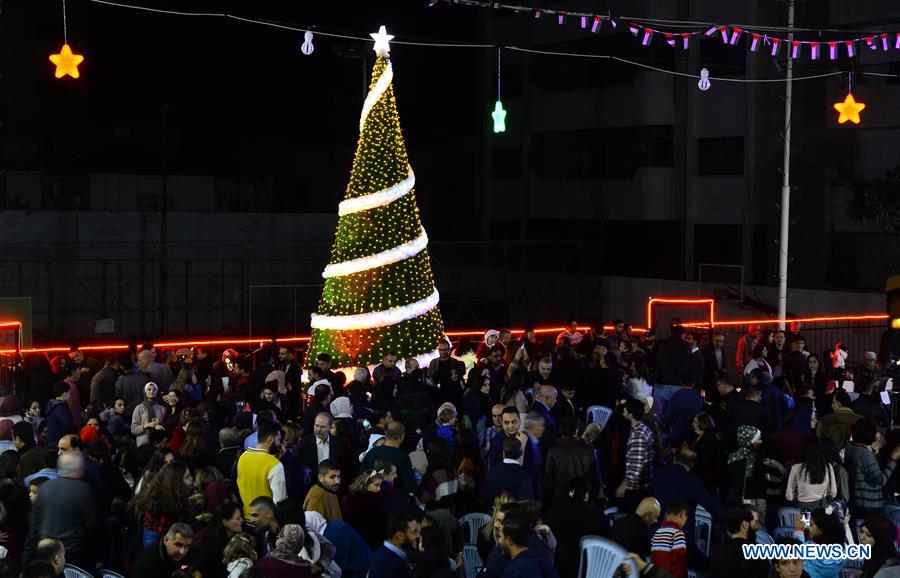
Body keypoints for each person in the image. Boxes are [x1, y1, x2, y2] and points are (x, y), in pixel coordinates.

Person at [23, 452, 97, 570]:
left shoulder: (46, 487)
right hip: (72, 553)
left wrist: (27, 557)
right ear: (79, 468)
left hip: (45, 550)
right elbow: (91, 525)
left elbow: (34, 522)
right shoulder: (83, 490)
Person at [649, 448, 725, 547]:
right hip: (679, 540)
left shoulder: (658, 475)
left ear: (675, 459)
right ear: (692, 465)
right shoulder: (692, 481)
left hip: (655, 536)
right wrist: (729, 518)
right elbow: (712, 506)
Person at [547, 477, 609, 578]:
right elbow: (607, 542)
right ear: (586, 494)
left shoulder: (554, 512)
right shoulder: (597, 515)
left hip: (560, 568)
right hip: (590, 568)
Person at [843, 419, 900, 520]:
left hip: (856, 500)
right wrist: (893, 458)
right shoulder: (865, 455)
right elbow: (881, 480)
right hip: (868, 504)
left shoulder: (850, 447)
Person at [131, 461, 194, 547]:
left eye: (190, 475)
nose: (191, 478)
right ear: (177, 482)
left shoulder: (179, 495)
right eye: (187, 477)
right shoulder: (159, 502)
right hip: (156, 537)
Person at [542, 417, 600, 507]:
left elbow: (548, 480)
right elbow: (596, 478)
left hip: (560, 500)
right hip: (583, 498)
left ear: (560, 430)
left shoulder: (553, 450)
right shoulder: (589, 449)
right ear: (576, 431)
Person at [236, 418, 286, 519]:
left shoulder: (242, 457)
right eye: (278, 440)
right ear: (270, 440)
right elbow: (279, 503)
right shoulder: (275, 465)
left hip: (246, 518)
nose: (280, 444)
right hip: (265, 522)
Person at [360, 421, 417, 507]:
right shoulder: (402, 457)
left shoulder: (372, 452)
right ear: (402, 436)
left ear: (386, 434)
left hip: (372, 502)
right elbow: (409, 486)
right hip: (394, 504)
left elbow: (361, 475)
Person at [615, 397, 655, 510]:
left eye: (625, 410)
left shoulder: (638, 435)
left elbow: (635, 467)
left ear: (631, 415)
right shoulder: (643, 429)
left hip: (637, 489)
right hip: (641, 486)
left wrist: (623, 486)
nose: (623, 411)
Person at [497, 509, 560, 578]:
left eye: (500, 536)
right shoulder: (545, 563)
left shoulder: (514, 570)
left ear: (509, 540)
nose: (499, 541)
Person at [709, 506, 769, 578]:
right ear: (745, 525)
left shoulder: (718, 552)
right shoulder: (758, 552)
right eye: (755, 522)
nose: (758, 527)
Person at [791, 508, 847, 578]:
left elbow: (794, 554)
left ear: (821, 530)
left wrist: (799, 532)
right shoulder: (844, 549)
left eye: (811, 525)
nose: (807, 527)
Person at [785, 436, 837, 510]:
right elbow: (833, 493)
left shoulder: (796, 468)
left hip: (802, 510)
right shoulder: (828, 466)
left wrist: (802, 495)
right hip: (822, 510)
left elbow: (789, 497)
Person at [368, 509, 421, 578]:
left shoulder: (383, 554)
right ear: (399, 536)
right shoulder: (391, 565)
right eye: (414, 532)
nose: (418, 536)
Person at [485, 437, 534, 506]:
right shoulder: (524, 476)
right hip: (514, 516)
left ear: (503, 452)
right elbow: (527, 504)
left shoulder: (491, 472)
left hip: (492, 515)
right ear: (521, 453)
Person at [650, 501, 688, 578]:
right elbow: (680, 564)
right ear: (682, 514)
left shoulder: (657, 533)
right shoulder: (678, 533)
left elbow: (653, 561)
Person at [661, 377, 703, 448]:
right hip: (693, 437)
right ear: (693, 383)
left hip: (676, 436)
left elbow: (666, 416)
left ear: (680, 382)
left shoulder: (676, 396)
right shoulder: (700, 398)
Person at [131, 382, 167, 447]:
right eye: (149, 389)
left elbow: (166, 426)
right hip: (144, 444)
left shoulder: (162, 408)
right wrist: (148, 425)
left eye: (154, 389)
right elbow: (134, 429)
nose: (152, 391)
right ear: (145, 391)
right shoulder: (139, 408)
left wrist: (160, 424)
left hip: (159, 445)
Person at [44, 381, 74, 447]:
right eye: (69, 393)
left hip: (53, 441)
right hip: (60, 442)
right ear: (64, 394)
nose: (70, 395)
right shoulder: (60, 407)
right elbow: (66, 425)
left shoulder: (52, 405)